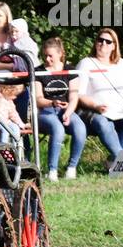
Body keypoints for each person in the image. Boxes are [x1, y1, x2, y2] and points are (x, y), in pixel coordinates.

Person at [74, 27, 123, 164]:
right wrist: (96, 106)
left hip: (121, 110)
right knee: (103, 123)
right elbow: (79, 94)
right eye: (100, 40)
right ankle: (121, 162)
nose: (103, 44)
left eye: (108, 42)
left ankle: (115, 162)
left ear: (114, 46)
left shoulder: (122, 64)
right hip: (94, 110)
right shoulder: (86, 63)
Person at [33, 36, 85, 180]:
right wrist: (52, 103)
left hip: (66, 109)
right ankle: (52, 171)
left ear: (60, 54)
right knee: (58, 129)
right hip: (46, 111)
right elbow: (38, 99)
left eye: (50, 56)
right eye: (45, 56)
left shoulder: (70, 70)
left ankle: (71, 168)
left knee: (80, 128)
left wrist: (68, 113)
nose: (47, 59)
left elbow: (74, 97)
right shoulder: (39, 71)